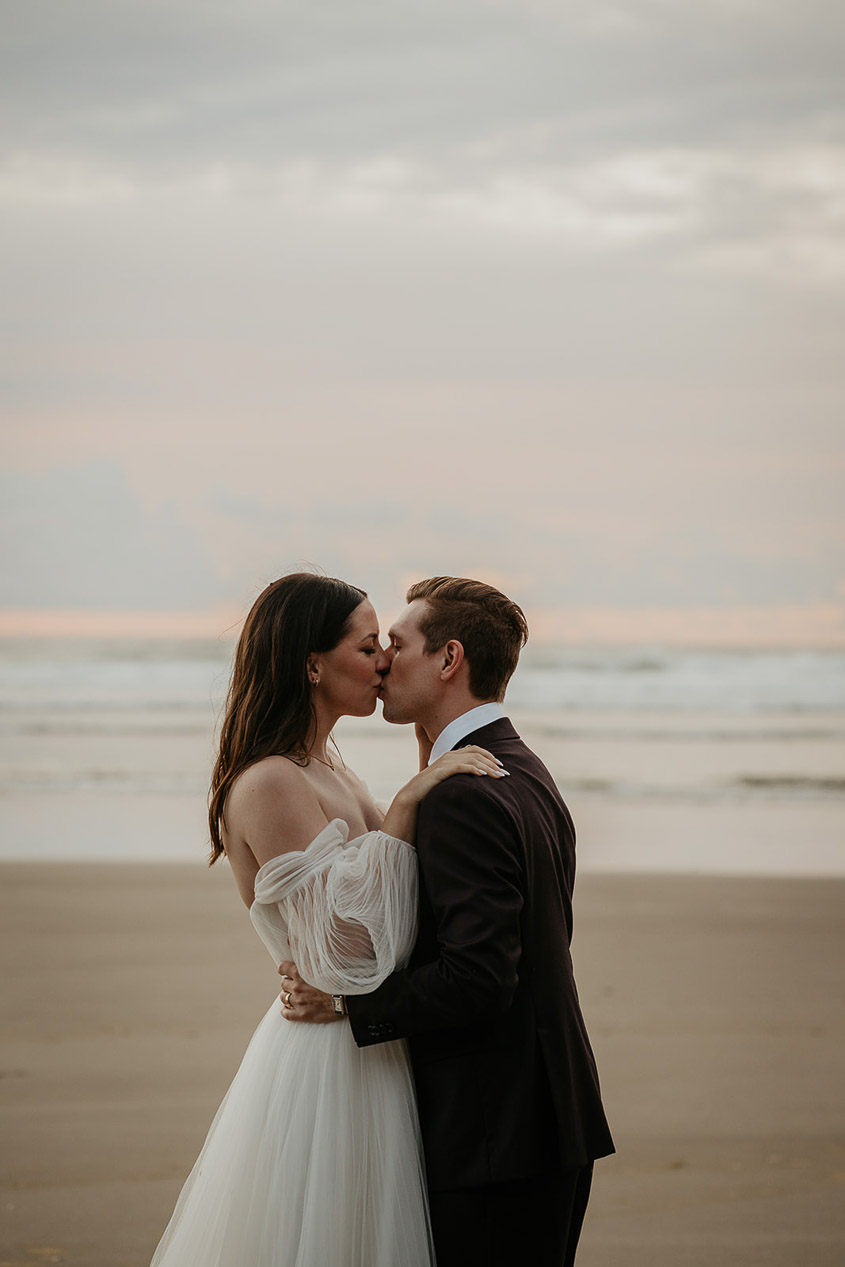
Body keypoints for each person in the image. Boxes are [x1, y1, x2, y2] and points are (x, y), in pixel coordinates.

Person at [149, 572, 505, 1267]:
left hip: (368, 1042)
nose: (384, 660)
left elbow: (399, 910)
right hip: (326, 1057)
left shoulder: (333, 772)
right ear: (311, 662)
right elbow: (341, 955)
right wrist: (406, 806)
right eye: (367, 644)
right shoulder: (272, 780)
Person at [281, 576, 615, 1267]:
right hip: (544, 1121)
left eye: (396, 645)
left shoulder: (462, 794)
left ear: (448, 659)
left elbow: (480, 977)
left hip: (492, 1136)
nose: (381, 662)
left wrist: (346, 1001)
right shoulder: (525, 772)